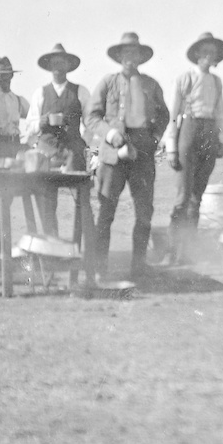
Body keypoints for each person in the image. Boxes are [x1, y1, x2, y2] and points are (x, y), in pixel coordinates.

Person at [87, 32, 170, 280]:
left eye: (134, 54)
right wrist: (110, 134)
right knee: (106, 211)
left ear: (141, 58)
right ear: (119, 57)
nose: (130, 59)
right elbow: (91, 116)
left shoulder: (151, 85)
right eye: (126, 54)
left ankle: (139, 266)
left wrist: (154, 137)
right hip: (113, 153)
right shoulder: (107, 82)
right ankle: (100, 267)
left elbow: (164, 115)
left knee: (144, 211)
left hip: (142, 153)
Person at [162, 32, 223, 265]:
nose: (208, 57)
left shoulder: (217, 82)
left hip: (209, 132)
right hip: (188, 130)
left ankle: (188, 252)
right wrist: (171, 146)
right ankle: (171, 251)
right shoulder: (185, 79)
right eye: (205, 52)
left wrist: (221, 140)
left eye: (213, 53)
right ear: (197, 55)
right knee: (182, 197)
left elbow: (220, 112)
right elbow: (172, 115)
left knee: (196, 197)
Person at [22, 43, 92, 236]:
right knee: (46, 199)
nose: (58, 67)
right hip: (47, 152)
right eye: (54, 63)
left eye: (62, 63)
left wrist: (82, 142)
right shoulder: (40, 93)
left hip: (72, 151)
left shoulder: (81, 91)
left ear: (68, 66)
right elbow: (29, 126)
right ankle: (50, 244)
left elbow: (91, 122)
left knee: (81, 198)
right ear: (49, 67)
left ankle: (80, 247)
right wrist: (41, 122)